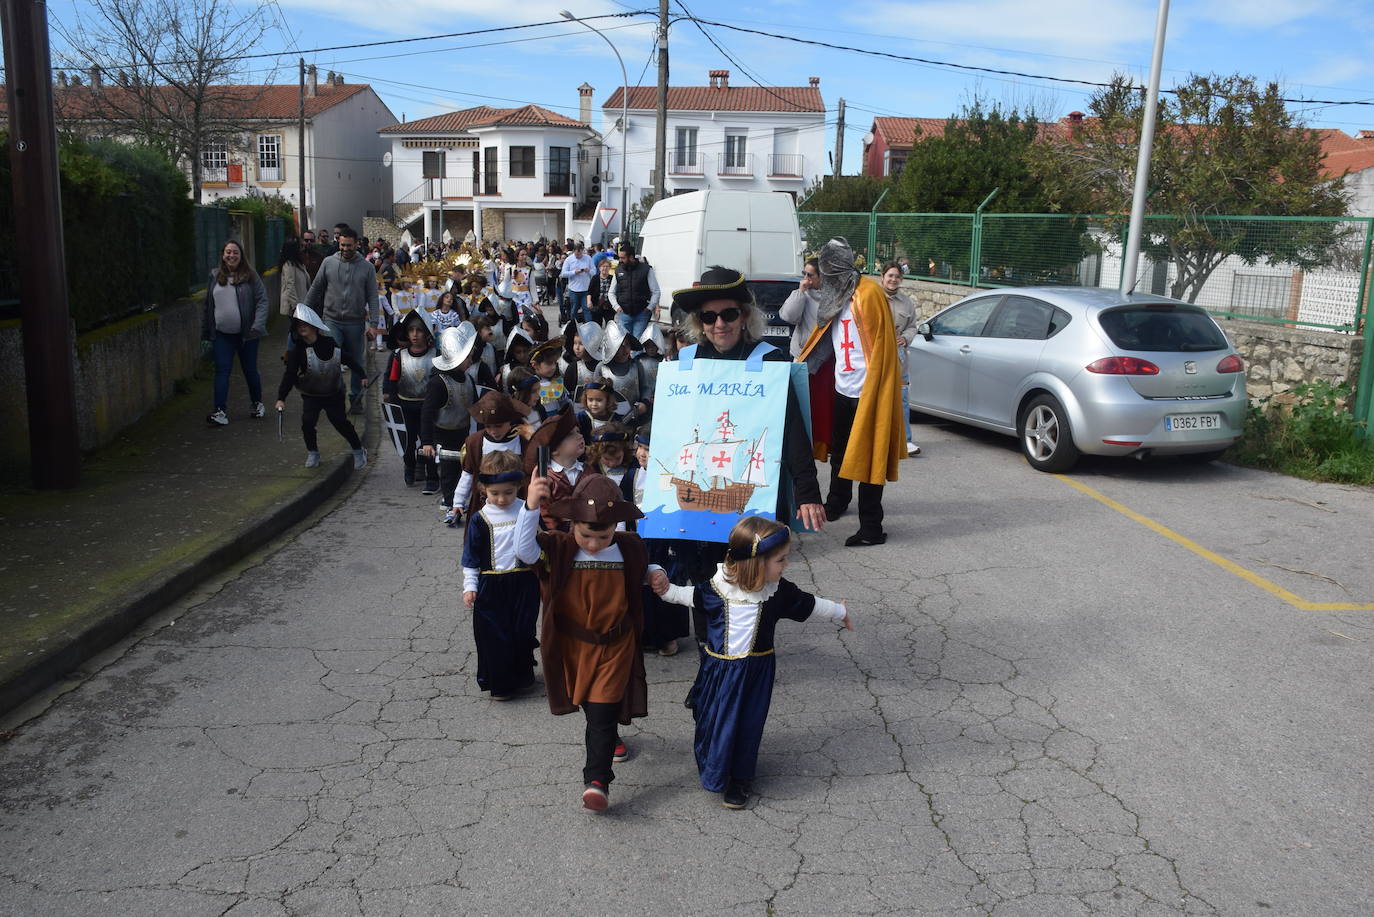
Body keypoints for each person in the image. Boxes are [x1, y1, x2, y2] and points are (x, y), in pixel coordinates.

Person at [660, 516, 850, 809]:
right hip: (717, 670)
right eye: (780, 560)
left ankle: (740, 778)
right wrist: (664, 590)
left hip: (755, 673)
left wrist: (839, 611)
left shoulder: (777, 592)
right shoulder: (717, 587)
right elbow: (691, 597)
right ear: (756, 563)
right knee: (711, 721)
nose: (785, 565)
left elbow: (808, 603)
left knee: (747, 725)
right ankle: (715, 766)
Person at [514, 471, 671, 811]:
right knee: (591, 706)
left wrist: (655, 573)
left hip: (616, 645)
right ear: (573, 524)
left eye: (603, 536)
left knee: (601, 710)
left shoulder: (629, 546)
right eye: (586, 535)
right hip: (572, 646)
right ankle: (608, 734)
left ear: (615, 526)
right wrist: (529, 505)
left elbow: (643, 567)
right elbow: (524, 550)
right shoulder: (557, 547)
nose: (594, 543)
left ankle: (597, 781)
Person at [798, 239, 906, 547]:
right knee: (840, 453)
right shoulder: (836, 296)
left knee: (870, 460)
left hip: (869, 392)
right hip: (841, 389)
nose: (826, 276)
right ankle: (837, 501)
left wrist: (878, 389)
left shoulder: (869, 294)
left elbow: (882, 349)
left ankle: (872, 527)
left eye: (830, 270)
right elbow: (823, 340)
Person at [462, 450, 541, 701]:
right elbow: (471, 557)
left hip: (523, 582)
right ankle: (501, 684)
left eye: (508, 492)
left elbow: (541, 541)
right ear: (483, 489)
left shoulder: (526, 511)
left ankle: (522, 675)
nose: (502, 498)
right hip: (491, 584)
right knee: (494, 635)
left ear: (519, 486)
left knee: (522, 631)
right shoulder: (480, 519)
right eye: (495, 493)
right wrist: (469, 585)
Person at [274, 304, 369, 469]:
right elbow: (289, 375)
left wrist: (362, 375)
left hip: (333, 393)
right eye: (299, 325)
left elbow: (347, 359)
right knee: (308, 422)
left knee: (340, 422)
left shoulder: (329, 343)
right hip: (311, 395)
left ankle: (358, 450)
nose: (302, 327)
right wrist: (281, 398)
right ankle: (313, 452)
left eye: (306, 324)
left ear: (314, 327)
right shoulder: (297, 351)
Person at [303, 227, 380, 414]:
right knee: (331, 360)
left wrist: (374, 325)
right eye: (342, 245)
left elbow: (373, 297)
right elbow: (315, 289)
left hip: (355, 322)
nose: (345, 249)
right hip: (331, 320)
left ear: (357, 244)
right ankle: (335, 398)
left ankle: (356, 399)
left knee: (356, 362)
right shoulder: (328, 263)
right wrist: (303, 314)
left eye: (349, 246)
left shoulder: (367, 267)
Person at [202, 239, 268, 426]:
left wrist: (258, 325)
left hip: (247, 335)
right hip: (222, 336)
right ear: (223, 255)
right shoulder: (214, 276)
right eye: (228, 252)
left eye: (235, 252)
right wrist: (205, 333)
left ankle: (257, 404)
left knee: (250, 371)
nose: (231, 256)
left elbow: (262, 301)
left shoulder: (251, 276)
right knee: (222, 371)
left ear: (241, 256)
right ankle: (220, 411)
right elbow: (207, 306)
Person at [420, 324, 480, 506]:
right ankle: (449, 502)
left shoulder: (468, 379)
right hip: (443, 434)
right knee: (448, 470)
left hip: (463, 432)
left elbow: (476, 408)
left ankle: (458, 501)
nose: (471, 360)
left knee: (464, 469)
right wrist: (427, 441)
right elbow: (427, 412)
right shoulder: (438, 383)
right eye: (467, 357)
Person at [382, 308, 439, 490]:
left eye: (419, 330)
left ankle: (431, 476)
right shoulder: (400, 355)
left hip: (427, 407)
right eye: (411, 330)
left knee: (427, 442)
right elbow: (392, 381)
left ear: (426, 332)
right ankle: (410, 466)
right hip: (405, 405)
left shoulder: (435, 355)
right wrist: (393, 403)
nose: (415, 335)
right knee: (407, 442)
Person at [450, 390, 527, 524]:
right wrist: (458, 501)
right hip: (483, 503)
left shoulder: (523, 440)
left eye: (498, 426)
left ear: (510, 421)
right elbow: (468, 473)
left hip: (517, 500)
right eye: (488, 426)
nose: (493, 431)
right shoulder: (475, 442)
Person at [880, 261, 921, 457]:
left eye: (897, 276)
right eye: (890, 276)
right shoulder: (874, 298)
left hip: (899, 358)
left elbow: (913, 326)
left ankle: (906, 441)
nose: (893, 280)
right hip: (876, 356)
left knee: (901, 399)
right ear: (883, 277)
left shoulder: (907, 303)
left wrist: (905, 338)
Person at [608, 242, 660, 340]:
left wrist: (650, 307)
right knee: (625, 342)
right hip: (623, 313)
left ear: (631, 257)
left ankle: (637, 355)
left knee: (638, 342)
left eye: (623, 258)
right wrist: (616, 307)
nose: (620, 260)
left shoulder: (646, 270)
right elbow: (611, 292)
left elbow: (656, 291)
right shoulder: (618, 270)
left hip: (642, 313)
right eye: (619, 257)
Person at [778, 258, 820, 359]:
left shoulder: (833, 298)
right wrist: (800, 292)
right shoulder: (801, 294)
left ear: (821, 277)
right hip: (801, 353)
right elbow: (788, 317)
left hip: (822, 355)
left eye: (810, 275)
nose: (805, 279)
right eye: (804, 273)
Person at [560, 241, 595, 323]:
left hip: (586, 289)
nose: (578, 256)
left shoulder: (588, 258)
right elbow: (563, 273)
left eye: (579, 254)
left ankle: (588, 327)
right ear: (573, 251)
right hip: (574, 289)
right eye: (576, 254)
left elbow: (594, 271)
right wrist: (574, 272)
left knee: (587, 309)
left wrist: (588, 271)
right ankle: (573, 327)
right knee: (574, 310)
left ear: (582, 251)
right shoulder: (569, 259)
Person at [277, 238, 311, 324]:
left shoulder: (298, 264)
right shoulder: (289, 265)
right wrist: (296, 306)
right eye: (300, 247)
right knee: (295, 331)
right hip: (295, 307)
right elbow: (290, 286)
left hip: (302, 304)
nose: (302, 249)